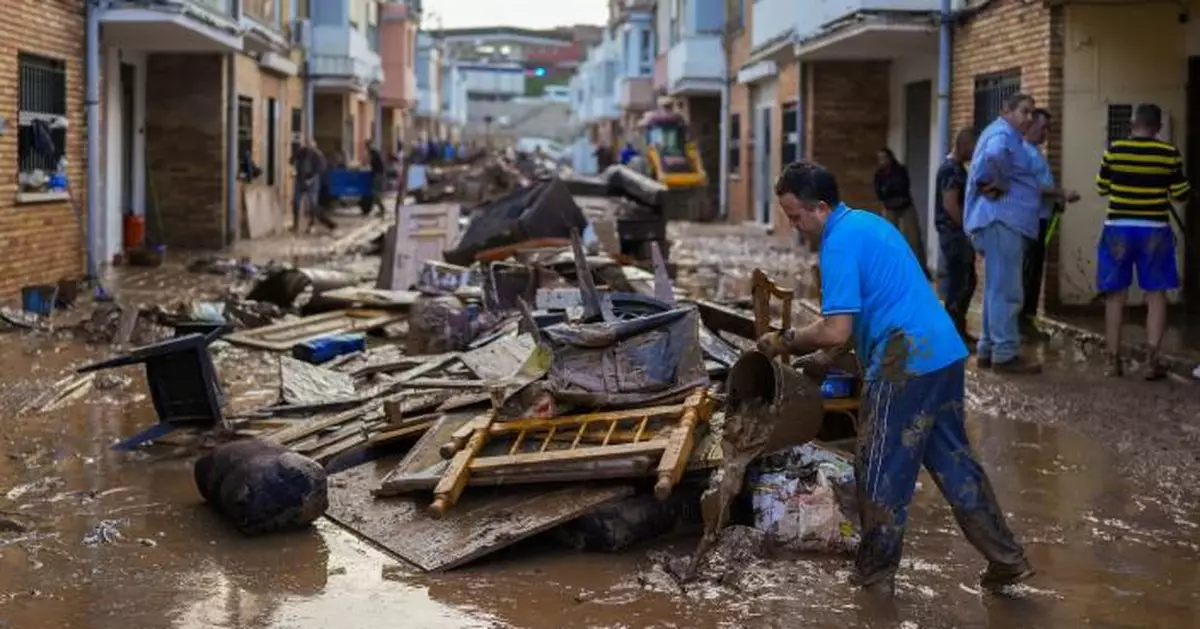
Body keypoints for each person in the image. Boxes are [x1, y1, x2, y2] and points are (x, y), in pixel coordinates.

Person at [758, 160, 1031, 595]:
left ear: (821, 208)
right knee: (955, 462)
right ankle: (1007, 559)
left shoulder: (839, 245)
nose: (796, 227)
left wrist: (785, 340)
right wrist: (826, 359)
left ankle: (875, 578)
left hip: (903, 362)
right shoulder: (869, 224)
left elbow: (836, 327)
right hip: (942, 353)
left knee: (880, 469)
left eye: (796, 217)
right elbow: (864, 316)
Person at [1095, 103, 1190, 380]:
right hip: (1154, 231)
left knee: (1115, 295)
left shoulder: (1114, 151)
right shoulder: (1169, 153)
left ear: (1132, 124)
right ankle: (1151, 361)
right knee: (1155, 294)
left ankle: (1112, 361)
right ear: (1158, 127)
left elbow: (1102, 187)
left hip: (1117, 230)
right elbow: (1181, 193)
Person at [966, 92, 1042, 374]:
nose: (1029, 118)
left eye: (1032, 113)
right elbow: (995, 156)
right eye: (1024, 111)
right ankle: (1005, 352)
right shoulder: (1003, 135)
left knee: (996, 289)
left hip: (998, 221)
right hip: (1003, 220)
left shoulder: (1002, 133)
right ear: (1006, 111)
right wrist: (996, 182)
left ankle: (989, 347)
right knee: (1007, 290)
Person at [1020, 109, 1080, 340]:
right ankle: (1022, 323)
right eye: (1044, 127)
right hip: (1030, 222)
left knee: (1035, 273)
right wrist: (1060, 193)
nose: (1047, 133)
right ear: (1031, 125)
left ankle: (1028, 320)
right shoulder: (1023, 153)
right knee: (1028, 273)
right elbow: (1031, 187)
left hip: (1042, 217)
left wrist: (1055, 201)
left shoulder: (1036, 153)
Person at [935, 128, 978, 345]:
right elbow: (950, 204)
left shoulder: (956, 168)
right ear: (963, 145)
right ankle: (953, 336)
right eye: (972, 148)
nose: (974, 153)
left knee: (966, 282)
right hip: (954, 234)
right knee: (960, 284)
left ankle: (958, 331)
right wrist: (967, 228)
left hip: (954, 233)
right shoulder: (951, 170)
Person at [873, 148, 928, 275]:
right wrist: (888, 191)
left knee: (913, 237)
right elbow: (880, 193)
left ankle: (919, 268)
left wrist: (888, 189)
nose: (882, 161)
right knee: (889, 237)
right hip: (890, 207)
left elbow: (902, 187)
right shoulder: (879, 175)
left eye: (885, 158)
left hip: (905, 206)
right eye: (880, 159)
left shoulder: (900, 170)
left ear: (890, 158)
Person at [364, 140, 388, 217]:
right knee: (375, 193)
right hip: (379, 174)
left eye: (367, 146)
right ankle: (381, 210)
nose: (366, 148)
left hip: (378, 175)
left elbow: (370, 162)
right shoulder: (374, 152)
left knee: (375, 193)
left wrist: (366, 164)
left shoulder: (373, 153)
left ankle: (382, 210)